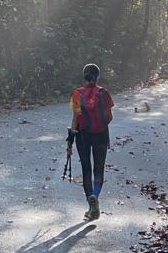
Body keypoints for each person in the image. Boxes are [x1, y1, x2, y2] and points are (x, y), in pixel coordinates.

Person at [68, 63, 114, 220]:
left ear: (84, 76)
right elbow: (109, 117)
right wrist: (100, 126)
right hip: (101, 135)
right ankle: (95, 195)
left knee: (86, 169)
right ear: (97, 76)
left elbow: (75, 119)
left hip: (83, 136)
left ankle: (91, 204)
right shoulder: (104, 93)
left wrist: (71, 139)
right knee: (99, 169)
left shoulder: (77, 94)